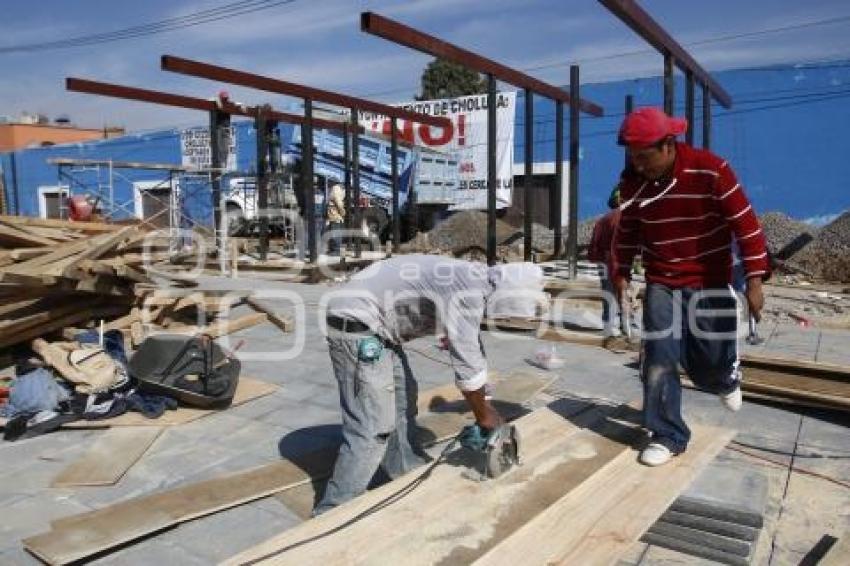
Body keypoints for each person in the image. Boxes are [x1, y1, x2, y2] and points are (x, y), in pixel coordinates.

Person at [314, 255, 546, 515]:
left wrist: (485, 405)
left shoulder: (476, 280)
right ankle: (333, 511)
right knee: (372, 425)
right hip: (354, 322)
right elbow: (466, 357)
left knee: (403, 400)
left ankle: (404, 471)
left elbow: (470, 347)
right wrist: (484, 415)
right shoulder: (469, 291)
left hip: (376, 325)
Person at [613, 107, 769, 467]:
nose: (638, 165)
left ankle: (725, 375)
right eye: (632, 157)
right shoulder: (633, 183)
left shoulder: (711, 170)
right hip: (661, 279)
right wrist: (620, 271)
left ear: (668, 145)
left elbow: (747, 226)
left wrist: (755, 280)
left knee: (707, 366)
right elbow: (629, 231)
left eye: (644, 157)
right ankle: (667, 434)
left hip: (710, 278)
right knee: (659, 355)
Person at [588, 185, 623, 336]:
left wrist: (595, 258)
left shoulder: (603, 219)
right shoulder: (624, 217)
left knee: (607, 292)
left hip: (603, 260)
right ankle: (624, 323)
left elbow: (594, 244)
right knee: (622, 292)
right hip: (617, 260)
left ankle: (608, 323)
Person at [325, 183, 346, 255]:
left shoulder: (335, 188)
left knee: (335, 233)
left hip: (335, 215)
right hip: (334, 215)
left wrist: (342, 212)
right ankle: (333, 249)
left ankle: (336, 250)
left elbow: (338, 202)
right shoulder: (337, 188)